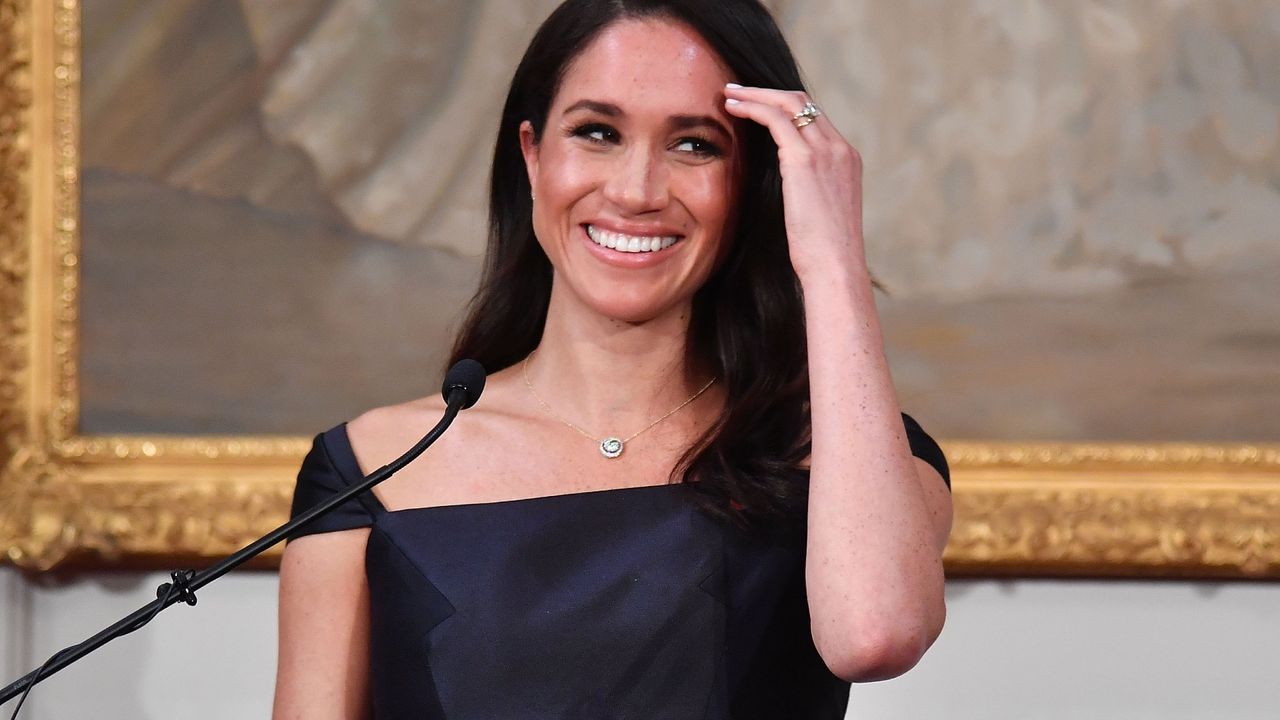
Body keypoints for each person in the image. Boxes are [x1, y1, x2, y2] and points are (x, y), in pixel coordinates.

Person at [273, 0, 953, 717]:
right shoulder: (371, 469)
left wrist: (833, 261)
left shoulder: (849, 458)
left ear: (757, 181)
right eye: (598, 133)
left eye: (695, 145)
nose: (635, 191)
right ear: (532, 155)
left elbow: (875, 636)